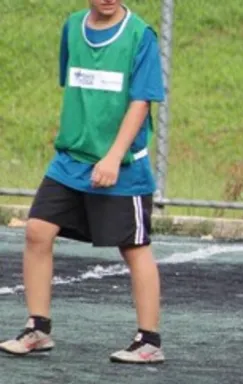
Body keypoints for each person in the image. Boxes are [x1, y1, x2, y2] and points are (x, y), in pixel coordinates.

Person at [1, 0, 166, 364]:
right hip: (70, 162)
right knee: (38, 230)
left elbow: (141, 103)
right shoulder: (73, 27)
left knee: (134, 247)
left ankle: (149, 341)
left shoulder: (140, 35)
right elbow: (77, 87)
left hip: (122, 165)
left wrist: (113, 156)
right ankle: (37, 328)